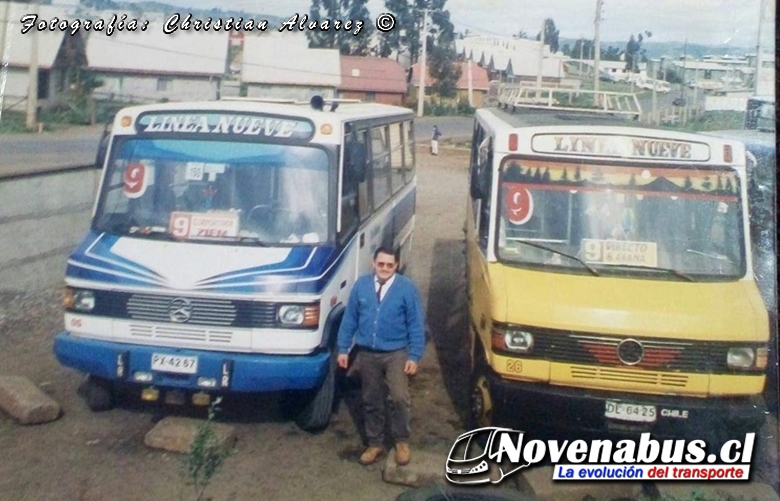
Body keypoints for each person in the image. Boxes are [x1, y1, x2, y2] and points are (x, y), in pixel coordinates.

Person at [336, 246, 426, 467]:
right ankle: (375, 442)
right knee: (371, 398)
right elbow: (350, 319)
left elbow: (416, 324)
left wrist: (414, 356)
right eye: (381, 264)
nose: (384, 268)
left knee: (398, 396)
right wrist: (342, 348)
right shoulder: (361, 286)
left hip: (396, 353)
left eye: (389, 265)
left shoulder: (406, 288)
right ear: (373, 264)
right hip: (368, 353)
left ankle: (401, 441)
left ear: (396, 266)